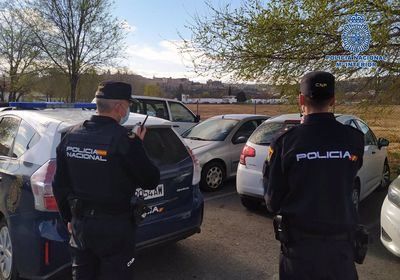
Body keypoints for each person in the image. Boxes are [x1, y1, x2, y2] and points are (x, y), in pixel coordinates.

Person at [53, 81, 160, 280]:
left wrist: (68, 218)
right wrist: (138, 145)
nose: (127, 111)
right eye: (128, 106)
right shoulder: (126, 140)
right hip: (115, 227)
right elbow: (150, 180)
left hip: (81, 225)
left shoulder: (70, 136)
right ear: (120, 107)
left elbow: (58, 184)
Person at [264, 71, 365, 280]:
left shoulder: (285, 142)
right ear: (333, 99)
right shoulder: (354, 139)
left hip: (300, 252)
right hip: (341, 251)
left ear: (301, 100)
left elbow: (273, 202)